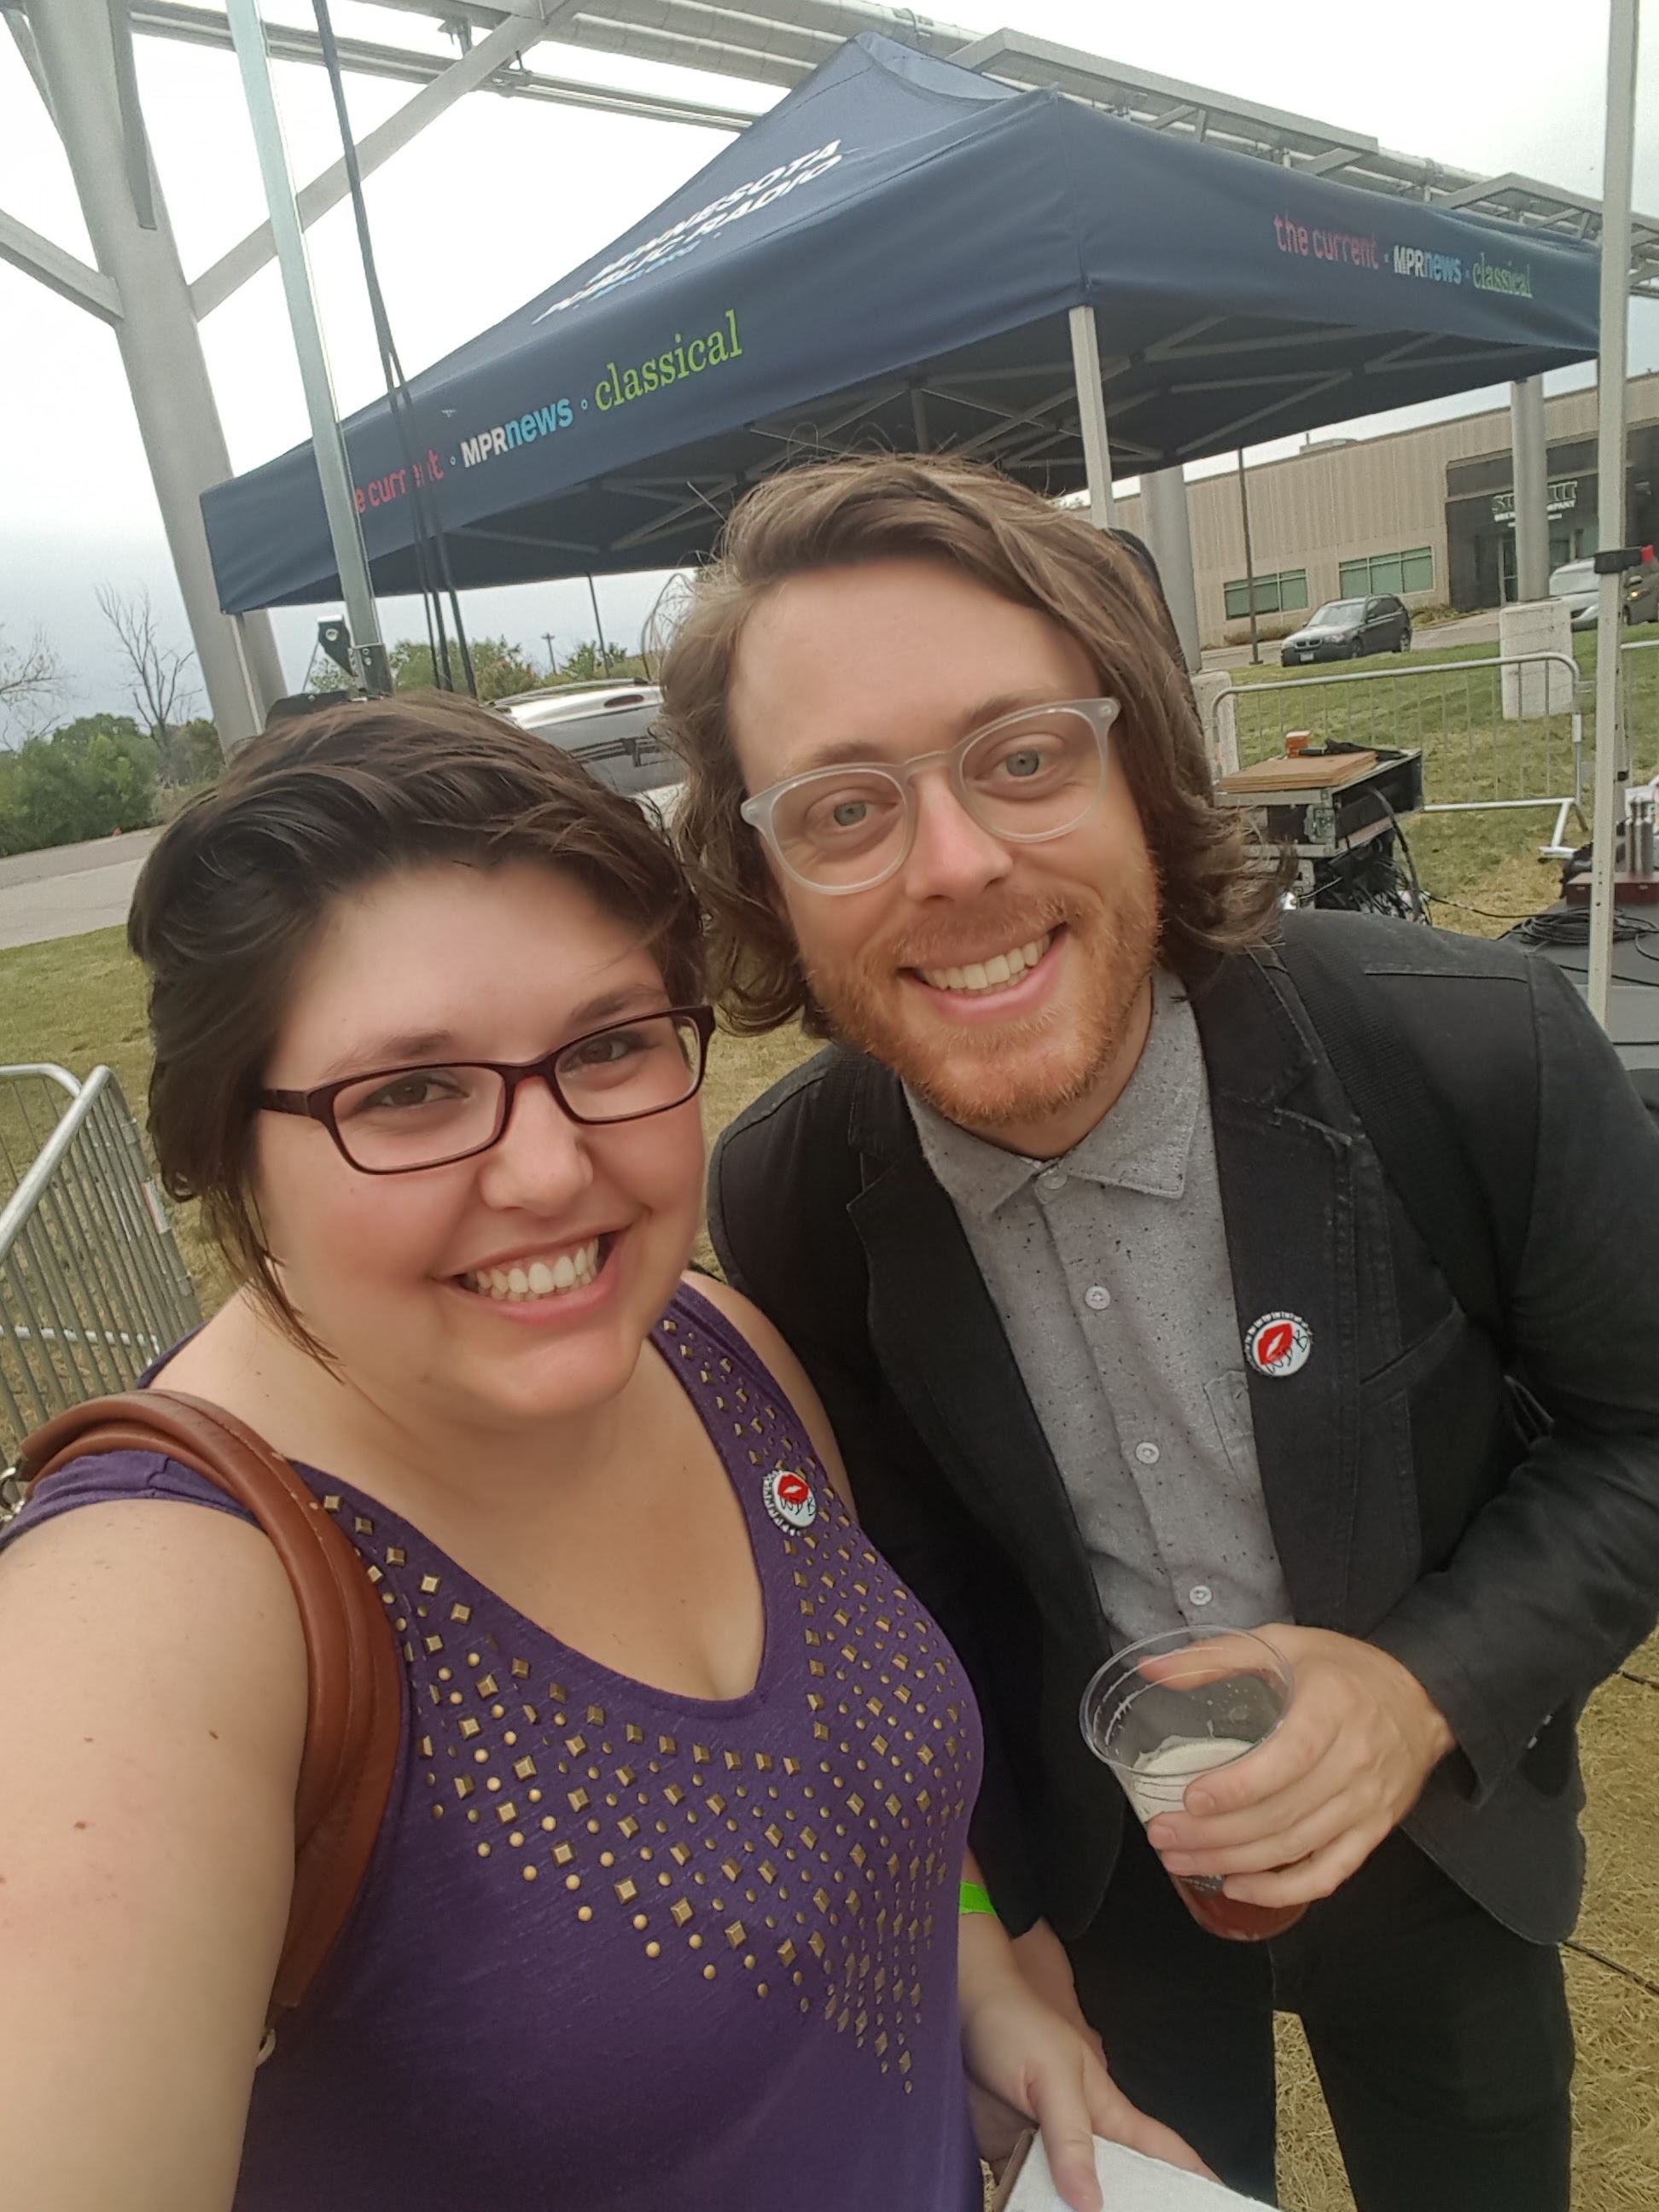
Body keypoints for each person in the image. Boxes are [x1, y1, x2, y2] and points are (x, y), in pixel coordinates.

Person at [0, 697, 1198, 2211]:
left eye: (611, 1045)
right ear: (226, 1144)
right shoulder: (151, 1619)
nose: (552, 1168)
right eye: (410, 1091)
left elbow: (869, 1772)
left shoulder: (720, 1355)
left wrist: (979, 1984)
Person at [662, 454, 1659, 2211]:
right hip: (1099, 1900)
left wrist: (1426, 1685)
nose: (956, 865)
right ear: (765, 879)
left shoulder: (1478, 1056)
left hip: (1446, 1836)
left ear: (1145, 767)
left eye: (1024, 755)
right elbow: (912, 1597)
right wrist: (994, 1920)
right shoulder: (791, 1196)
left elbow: (1643, 1432)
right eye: (842, 809)